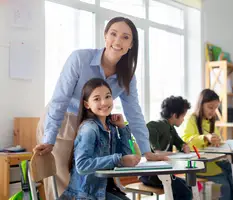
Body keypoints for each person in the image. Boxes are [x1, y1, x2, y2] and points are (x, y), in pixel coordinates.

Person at [34, 17, 165, 198]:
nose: (117, 41)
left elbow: (134, 113)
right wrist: (49, 138)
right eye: (113, 34)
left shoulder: (127, 77)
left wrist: (146, 151)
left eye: (125, 37)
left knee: (87, 182)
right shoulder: (80, 58)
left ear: (131, 45)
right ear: (105, 36)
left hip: (92, 127)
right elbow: (59, 100)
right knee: (64, 183)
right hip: (63, 122)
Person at [59, 78, 140, 200]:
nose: (104, 102)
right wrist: (119, 159)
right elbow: (82, 165)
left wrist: (122, 128)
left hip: (104, 190)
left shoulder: (110, 127)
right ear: (87, 104)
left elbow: (127, 156)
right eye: (97, 99)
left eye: (108, 97)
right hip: (86, 195)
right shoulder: (89, 129)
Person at [182, 89, 233, 200]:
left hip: (214, 161)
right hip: (200, 163)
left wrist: (218, 142)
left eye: (215, 108)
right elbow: (186, 141)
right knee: (226, 185)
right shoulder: (191, 119)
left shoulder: (211, 121)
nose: (213, 111)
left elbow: (218, 139)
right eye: (210, 107)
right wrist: (205, 138)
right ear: (201, 105)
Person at [139, 96, 192, 200]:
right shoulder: (156, 125)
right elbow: (157, 152)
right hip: (152, 175)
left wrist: (184, 146)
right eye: (183, 116)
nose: (183, 119)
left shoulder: (171, 128)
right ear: (174, 115)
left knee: (188, 186)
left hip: (163, 174)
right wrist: (171, 153)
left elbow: (179, 142)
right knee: (185, 192)